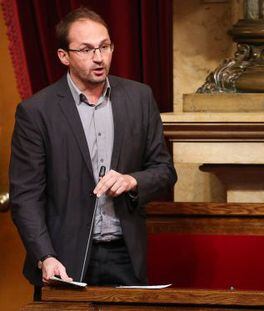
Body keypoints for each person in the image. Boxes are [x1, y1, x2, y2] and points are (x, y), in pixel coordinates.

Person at [9, 7, 177, 289]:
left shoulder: (139, 98)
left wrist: (131, 180)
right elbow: (26, 196)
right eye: (86, 50)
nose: (99, 58)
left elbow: (164, 170)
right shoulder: (36, 111)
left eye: (104, 46)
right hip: (63, 259)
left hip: (125, 253)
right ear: (64, 56)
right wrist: (45, 255)